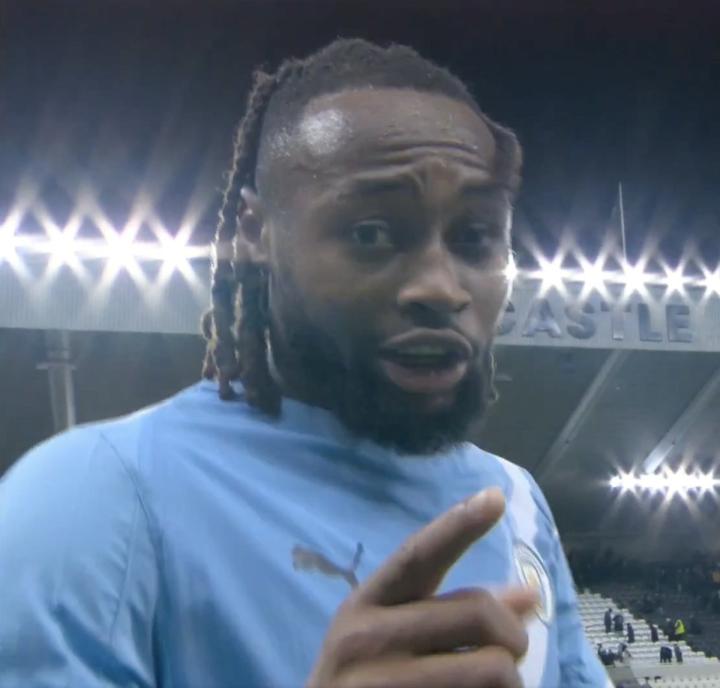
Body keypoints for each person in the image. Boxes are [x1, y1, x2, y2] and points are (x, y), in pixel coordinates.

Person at [0, 39, 608, 687]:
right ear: (254, 232)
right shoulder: (92, 495)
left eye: (475, 237)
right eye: (371, 232)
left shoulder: (516, 501)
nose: (441, 287)